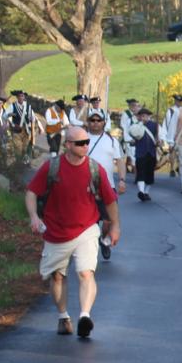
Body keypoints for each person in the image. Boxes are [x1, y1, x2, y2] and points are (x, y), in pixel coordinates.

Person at [24, 125, 121, 339]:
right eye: (80, 143)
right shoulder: (52, 167)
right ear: (67, 144)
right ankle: (63, 316)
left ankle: (85, 316)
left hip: (87, 228)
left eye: (87, 142)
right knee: (58, 276)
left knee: (86, 272)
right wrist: (34, 216)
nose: (85, 146)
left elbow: (110, 200)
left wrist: (115, 225)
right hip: (56, 231)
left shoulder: (95, 169)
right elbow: (32, 192)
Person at [85, 111, 127, 261]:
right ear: (88, 122)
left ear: (104, 122)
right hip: (86, 188)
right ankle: (89, 251)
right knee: (89, 221)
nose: (95, 123)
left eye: (98, 120)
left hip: (107, 186)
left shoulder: (111, 141)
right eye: (92, 120)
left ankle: (104, 241)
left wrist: (122, 179)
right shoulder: (81, 138)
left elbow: (120, 161)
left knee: (109, 220)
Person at [128, 108, 160, 201]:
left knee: (150, 174)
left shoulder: (155, 126)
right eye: (141, 116)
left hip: (151, 153)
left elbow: (159, 139)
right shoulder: (135, 126)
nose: (143, 118)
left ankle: (146, 192)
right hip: (140, 153)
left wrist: (159, 142)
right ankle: (141, 192)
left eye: (144, 116)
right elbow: (134, 137)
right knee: (140, 172)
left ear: (148, 116)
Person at [162, 94, 182, 178]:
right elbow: (167, 123)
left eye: (180, 101)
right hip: (173, 134)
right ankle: (172, 168)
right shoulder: (171, 111)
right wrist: (167, 135)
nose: (179, 103)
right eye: (178, 101)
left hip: (181, 134)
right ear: (175, 101)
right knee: (173, 151)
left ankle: (179, 167)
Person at [120, 98, 141, 170]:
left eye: (136, 106)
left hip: (136, 138)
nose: (135, 108)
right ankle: (136, 172)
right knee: (131, 155)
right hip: (129, 137)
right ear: (130, 106)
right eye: (133, 106)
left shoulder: (137, 115)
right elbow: (123, 126)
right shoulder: (126, 114)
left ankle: (130, 167)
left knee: (132, 154)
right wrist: (128, 138)